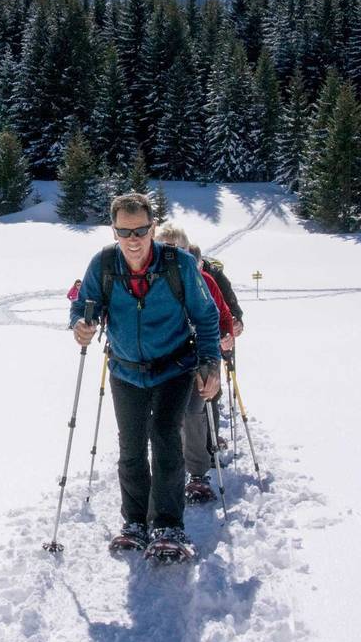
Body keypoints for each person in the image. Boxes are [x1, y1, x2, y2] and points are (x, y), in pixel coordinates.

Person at [69, 193, 221, 558]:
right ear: (114, 231)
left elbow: (207, 317)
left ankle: (169, 525)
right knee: (131, 447)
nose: (133, 239)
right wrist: (80, 324)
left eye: (140, 230)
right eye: (125, 231)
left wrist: (210, 363)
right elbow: (82, 305)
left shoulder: (179, 264)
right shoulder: (103, 264)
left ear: (153, 228)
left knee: (166, 437)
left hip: (175, 367)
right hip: (126, 370)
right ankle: (135, 522)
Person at [164, 227, 238, 503]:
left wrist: (226, 336)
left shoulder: (204, 277)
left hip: (198, 352)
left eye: (176, 247)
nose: (170, 251)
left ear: (187, 250)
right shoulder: (151, 278)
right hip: (163, 355)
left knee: (196, 410)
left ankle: (197, 472)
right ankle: (169, 466)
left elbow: (221, 312)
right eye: (165, 245)